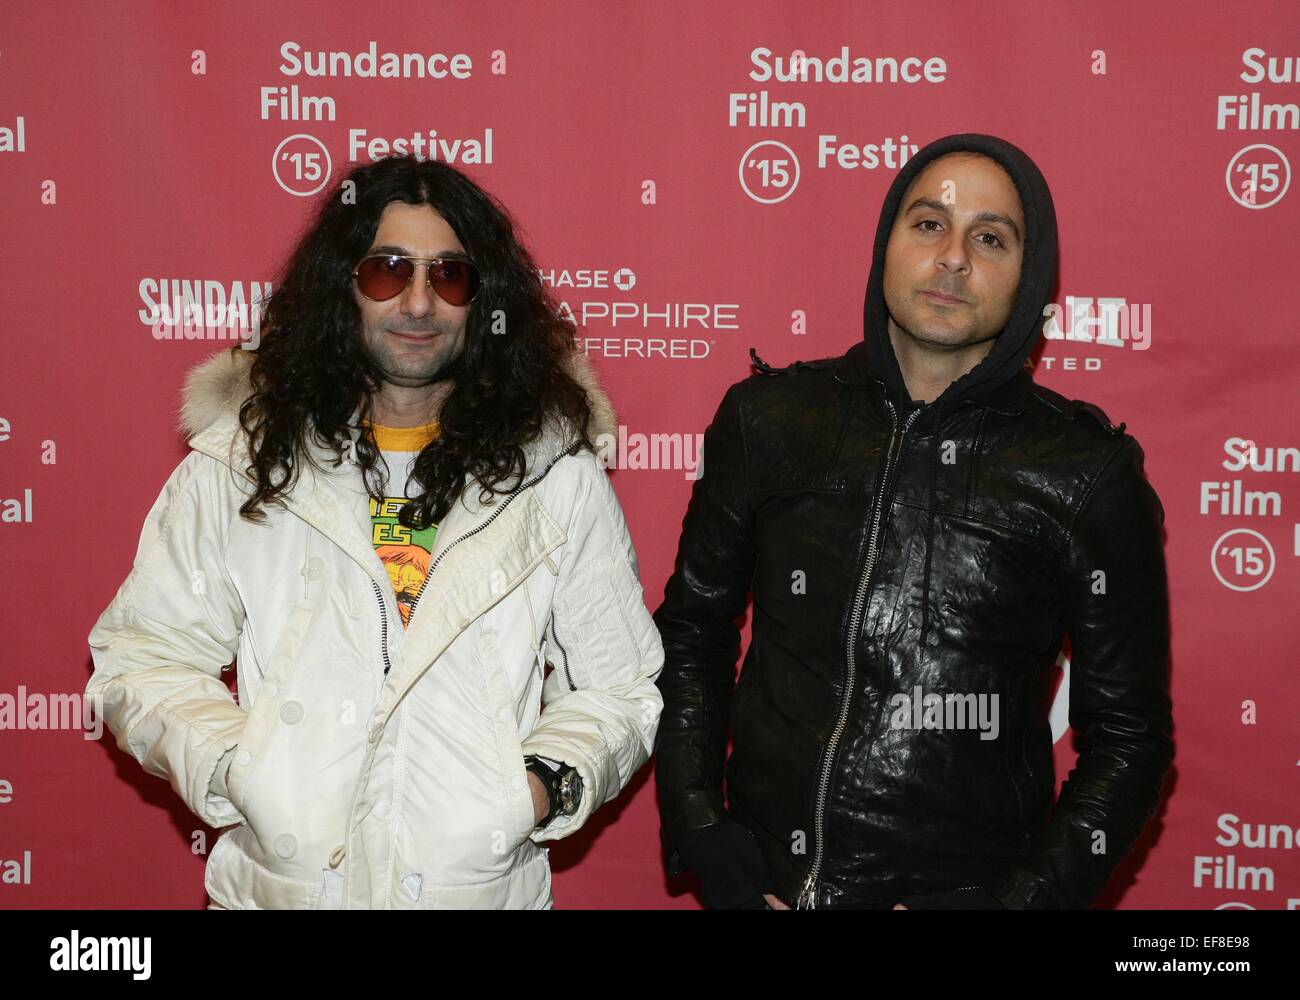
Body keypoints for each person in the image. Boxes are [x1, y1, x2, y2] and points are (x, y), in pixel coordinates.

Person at [86, 154, 664, 909]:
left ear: (481, 300)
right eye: (389, 271)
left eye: (449, 276)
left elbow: (620, 688)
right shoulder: (244, 463)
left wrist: (537, 788)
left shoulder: (553, 476)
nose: (419, 303)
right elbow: (143, 657)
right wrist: (243, 769)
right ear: (345, 287)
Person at [652, 132, 1174, 910]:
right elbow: (694, 631)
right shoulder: (769, 419)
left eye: (990, 238)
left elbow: (1130, 741)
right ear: (887, 244)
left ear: (1029, 279)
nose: (954, 257)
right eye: (929, 224)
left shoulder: (1086, 474)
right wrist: (705, 836)